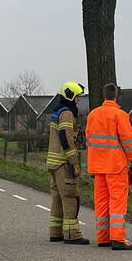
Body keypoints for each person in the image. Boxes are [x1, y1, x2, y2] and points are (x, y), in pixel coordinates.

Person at [85, 83, 132, 250]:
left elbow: (89, 140)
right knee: (117, 202)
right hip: (115, 166)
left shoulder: (92, 115)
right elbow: (128, 141)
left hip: (97, 166)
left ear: (103, 95)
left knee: (101, 202)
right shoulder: (120, 115)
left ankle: (103, 238)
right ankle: (118, 239)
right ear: (116, 96)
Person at [46, 82, 89, 245]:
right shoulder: (66, 114)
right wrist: (74, 162)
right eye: (77, 97)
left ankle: (55, 232)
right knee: (71, 197)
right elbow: (66, 138)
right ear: (71, 96)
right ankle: (72, 234)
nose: (78, 101)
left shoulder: (57, 111)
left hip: (53, 163)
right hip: (63, 163)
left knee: (57, 198)